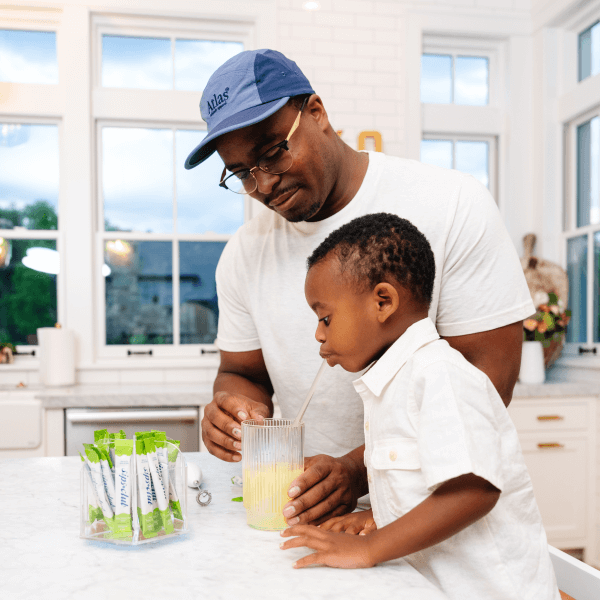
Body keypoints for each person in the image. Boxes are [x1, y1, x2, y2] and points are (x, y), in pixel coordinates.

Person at [184, 49, 535, 526]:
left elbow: (488, 379)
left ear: (316, 112)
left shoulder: (451, 203)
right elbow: (242, 372)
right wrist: (234, 409)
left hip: (444, 512)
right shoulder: (246, 253)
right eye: (242, 173)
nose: (263, 185)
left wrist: (356, 471)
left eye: (272, 153)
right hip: (315, 516)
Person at [280, 212, 560, 600]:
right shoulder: (392, 385)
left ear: (383, 301)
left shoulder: (439, 374)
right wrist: (377, 521)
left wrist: (369, 548)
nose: (318, 334)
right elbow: (422, 491)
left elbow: (473, 490)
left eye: (326, 317)